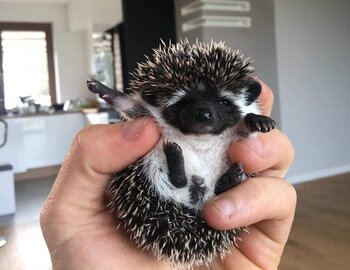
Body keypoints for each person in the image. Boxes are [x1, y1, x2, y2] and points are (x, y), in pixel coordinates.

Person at [40, 80, 296, 270]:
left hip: (203, 189)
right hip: (170, 190)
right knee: (153, 146)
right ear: (158, 100)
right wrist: (113, 96)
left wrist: (253, 123)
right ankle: (195, 180)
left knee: (236, 145)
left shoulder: (242, 119)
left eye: (222, 102)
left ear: (245, 99)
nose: (205, 112)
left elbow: (246, 129)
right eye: (185, 102)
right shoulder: (155, 117)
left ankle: (207, 183)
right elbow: (140, 110)